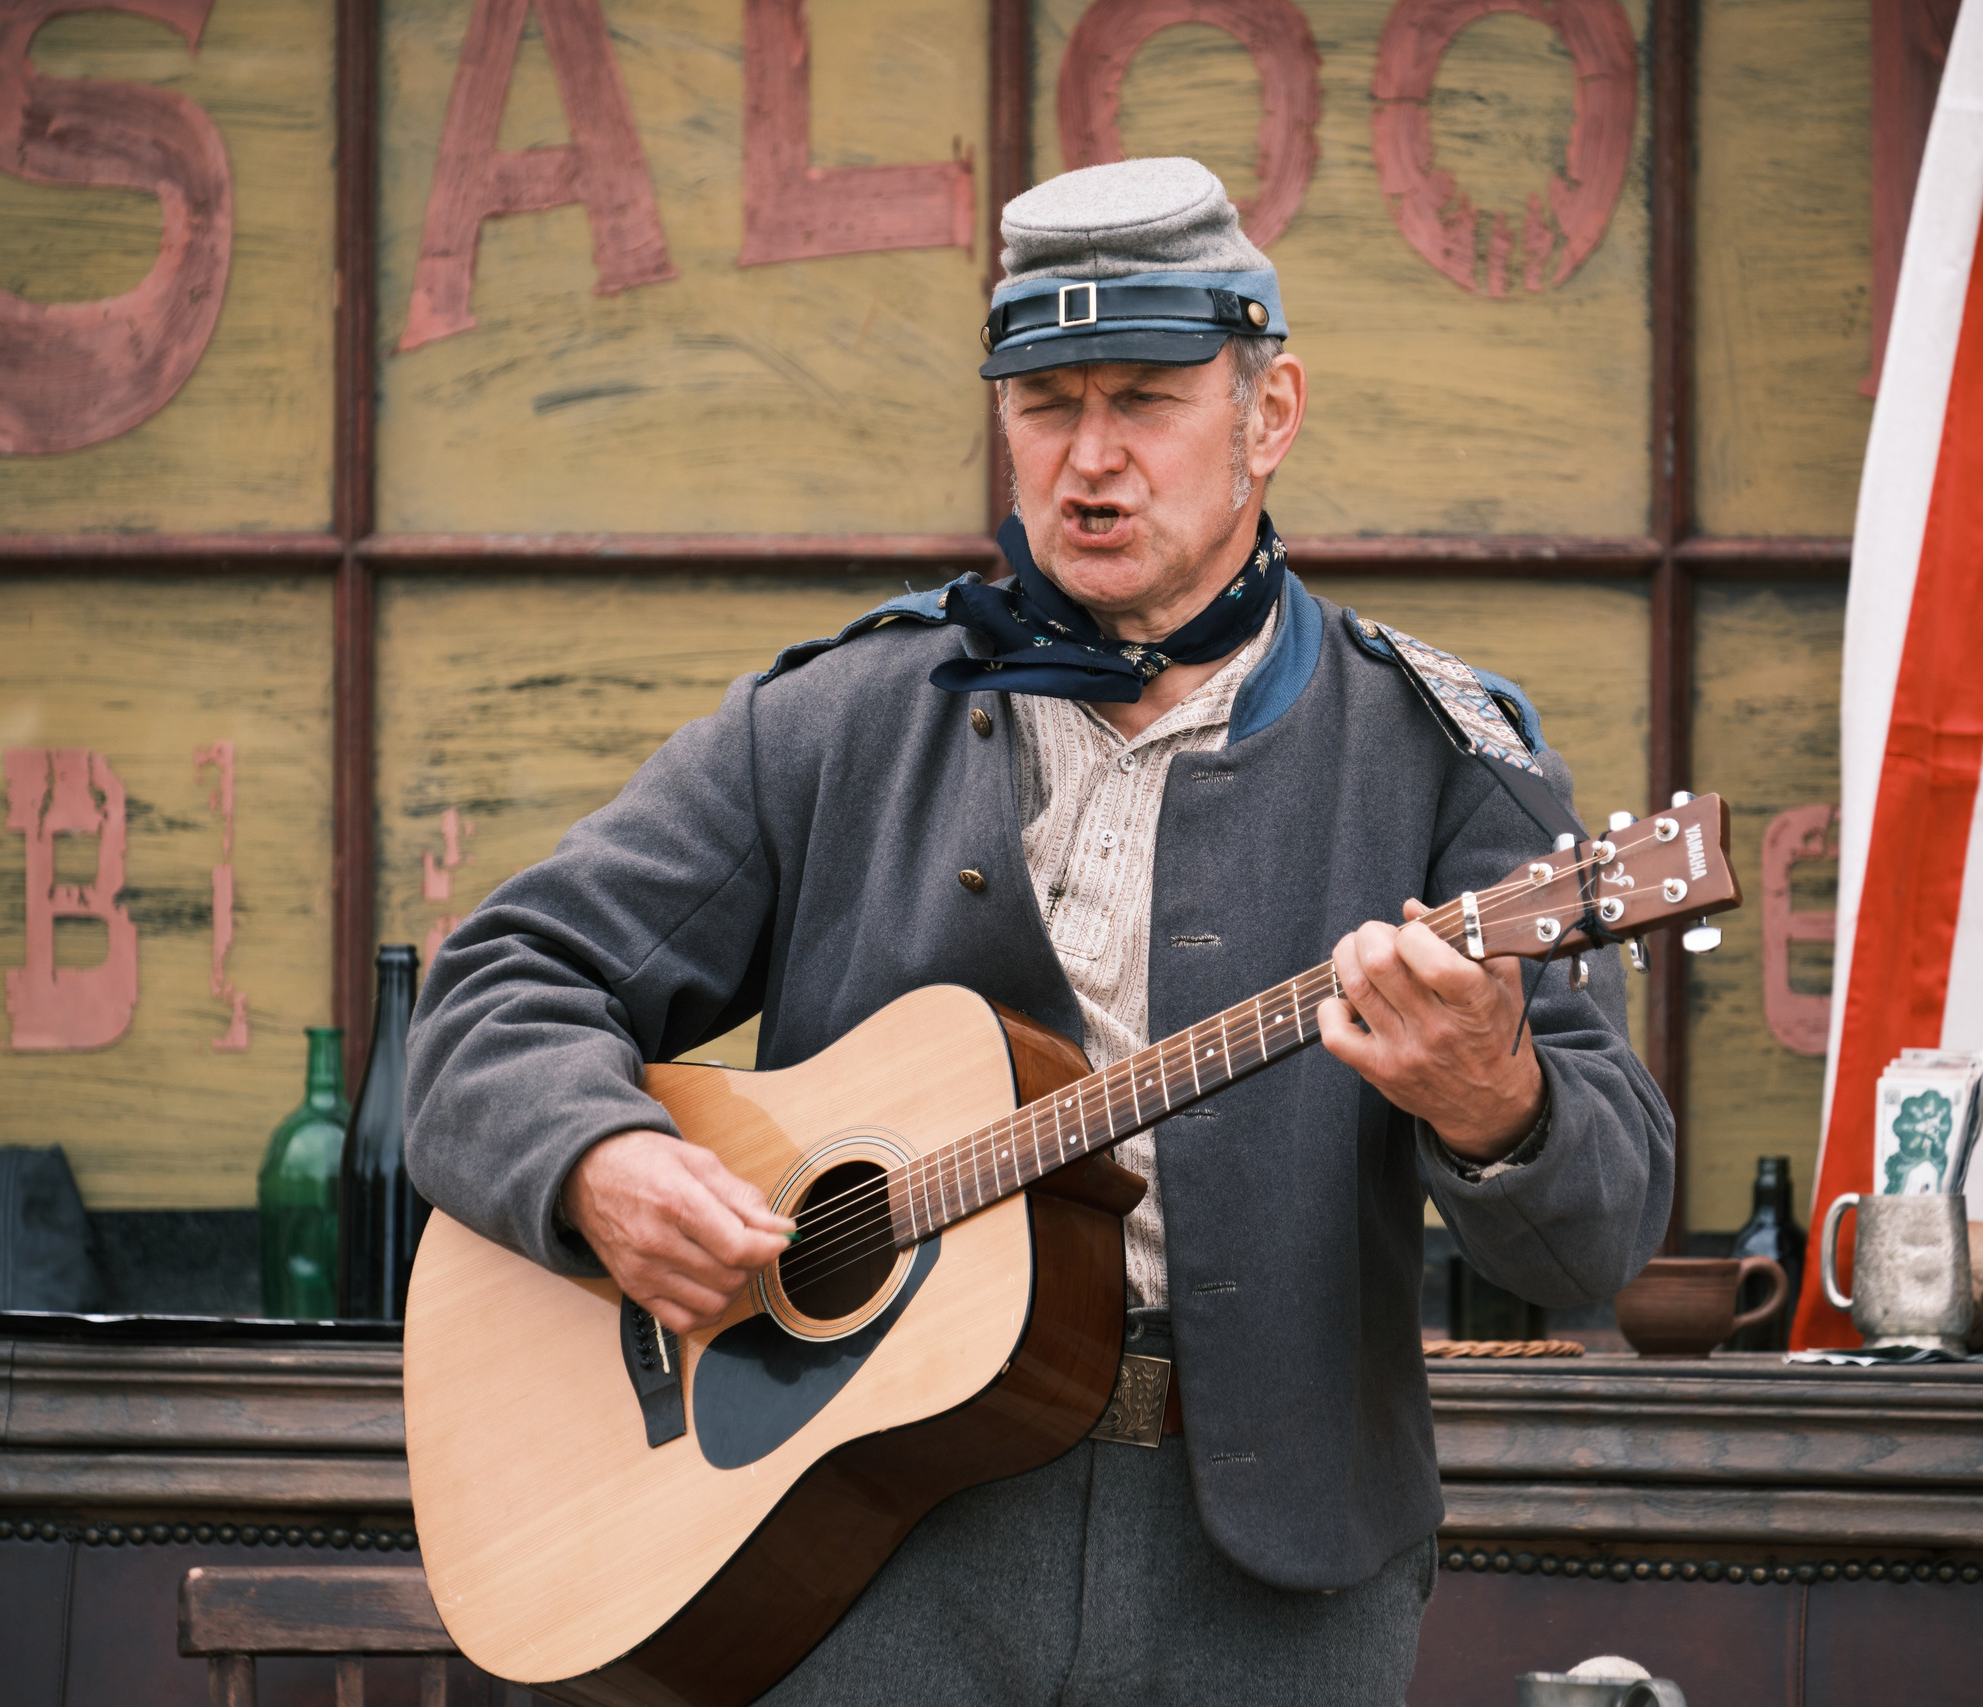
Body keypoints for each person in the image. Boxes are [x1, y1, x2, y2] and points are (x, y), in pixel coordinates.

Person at [406, 156, 1674, 1707]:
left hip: (1273, 1579)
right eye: (1046, 403)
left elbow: (1600, 1231)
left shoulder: (1444, 758)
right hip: (872, 1552)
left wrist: (1497, 1105)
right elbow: (495, 990)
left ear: (1269, 415)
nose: (1090, 462)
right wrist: (594, 1163)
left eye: (1146, 398)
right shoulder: (836, 723)